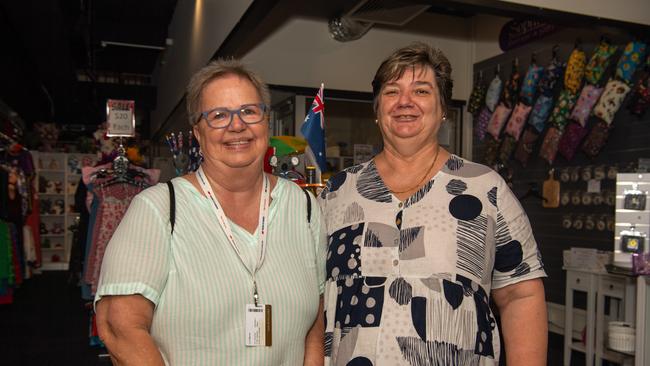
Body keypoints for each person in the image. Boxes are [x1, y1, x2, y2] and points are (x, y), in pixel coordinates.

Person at [318, 42, 547, 365]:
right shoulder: (336, 192)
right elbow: (311, 299)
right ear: (376, 109)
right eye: (392, 91)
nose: (405, 102)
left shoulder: (485, 190)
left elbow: (520, 295)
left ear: (443, 109)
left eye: (422, 91)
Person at [94, 59, 326, 366]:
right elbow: (119, 326)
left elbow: (314, 324)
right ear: (198, 133)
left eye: (249, 111)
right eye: (218, 115)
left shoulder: (304, 206)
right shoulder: (159, 210)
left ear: (266, 122)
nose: (237, 124)